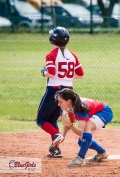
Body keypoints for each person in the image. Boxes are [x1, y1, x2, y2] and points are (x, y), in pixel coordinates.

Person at [36, 26, 84, 158]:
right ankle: (56, 150)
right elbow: (80, 74)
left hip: (54, 91)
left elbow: (51, 73)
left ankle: (57, 136)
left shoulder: (51, 54)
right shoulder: (72, 55)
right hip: (68, 91)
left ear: (53, 40)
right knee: (52, 120)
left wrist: (43, 73)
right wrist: (67, 78)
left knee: (41, 119)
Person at [54, 88, 113, 166]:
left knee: (86, 127)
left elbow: (80, 131)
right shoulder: (64, 108)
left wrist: (70, 126)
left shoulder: (80, 108)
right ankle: (102, 153)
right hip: (93, 113)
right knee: (82, 141)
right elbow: (66, 122)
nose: (58, 104)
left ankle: (80, 159)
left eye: (60, 102)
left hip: (104, 112)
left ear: (68, 101)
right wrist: (63, 136)